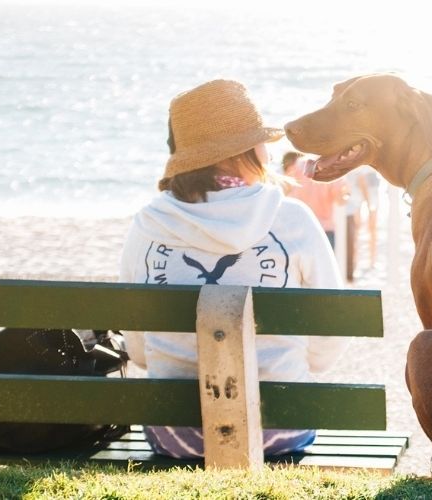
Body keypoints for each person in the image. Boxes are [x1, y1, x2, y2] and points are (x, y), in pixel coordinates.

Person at [118, 79, 347, 458]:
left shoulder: (148, 224)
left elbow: (139, 352)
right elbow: (331, 334)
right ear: (248, 150)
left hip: (175, 433)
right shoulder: (291, 218)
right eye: (261, 141)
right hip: (280, 426)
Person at [283, 152, 348, 249]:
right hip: (324, 230)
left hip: (300, 228)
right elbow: (341, 201)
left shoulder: (299, 164)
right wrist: (347, 194)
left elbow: (286, 190)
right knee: (325, 264)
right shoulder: (334, 167)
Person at [343, 166, 380, 279]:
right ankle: (367, 261)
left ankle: (365, 260)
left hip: (362, 185)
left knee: (363, 228)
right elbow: (361, 180)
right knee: (365, 228)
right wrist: (369, 202)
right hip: (361, 185)